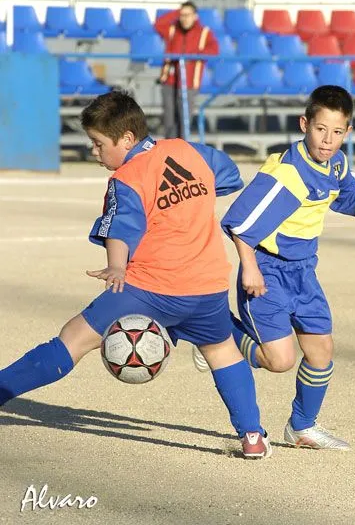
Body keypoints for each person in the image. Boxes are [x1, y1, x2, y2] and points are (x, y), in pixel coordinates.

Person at [0, 90, 271, 460]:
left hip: (148, 287)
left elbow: (121, 229)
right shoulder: (190, 151)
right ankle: (253, 435)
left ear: (126, 139)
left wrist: (116, 266)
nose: (93, 152)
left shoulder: (126, 177)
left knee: (73, 339)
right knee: (221, 352)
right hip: (206, 288)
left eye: (98, 144)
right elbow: (228, 174)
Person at [193, 85, 355, 450]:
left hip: (304, 272)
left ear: (347, 133)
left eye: (337, 132)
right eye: (321, 129)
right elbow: (239, 222)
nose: (328, 140)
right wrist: (250, 268)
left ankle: (302, 426)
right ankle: (215, 336)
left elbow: (348, 196)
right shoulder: (287, 174)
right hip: (268, 273)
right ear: (305, 124)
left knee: (321, 351)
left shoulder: (336, 163)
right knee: (280, 360)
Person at [155, 1, 218, 139]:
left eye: (188, 15)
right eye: (182, 15)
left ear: (195, 16)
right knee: (169, 120)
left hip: (189, 83)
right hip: (169, 81)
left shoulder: (204, 32)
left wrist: (195, 55)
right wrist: (177, 12)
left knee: (185, 120)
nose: (184, 18)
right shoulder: (173, 29)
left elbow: (214, 50)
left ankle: (183, 151)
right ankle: (169, 151)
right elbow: (158, 25)